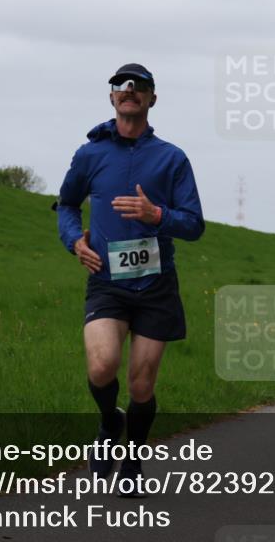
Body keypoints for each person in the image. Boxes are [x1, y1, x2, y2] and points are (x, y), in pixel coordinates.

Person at [56, 63, 205, 496]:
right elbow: (67, 204)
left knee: (142, 384)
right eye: (121, 85)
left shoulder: (172, 158)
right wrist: (74, 241)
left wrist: (156, 214)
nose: (129, 90)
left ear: (152, 98)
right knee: (102, 365)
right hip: (106, 279)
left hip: (156, 283)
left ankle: (133, 461)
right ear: (111, 97)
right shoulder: (90, 154)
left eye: (139, 86)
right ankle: (109, 422)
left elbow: (194, 224)